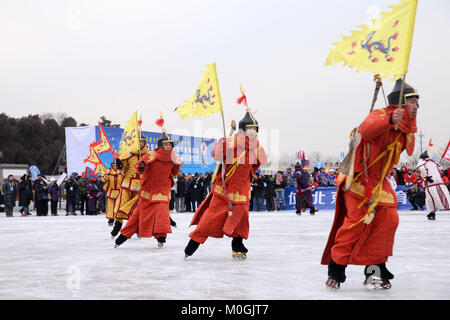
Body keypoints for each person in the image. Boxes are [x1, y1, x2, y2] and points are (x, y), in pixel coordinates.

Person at [321, 79, 420, 290]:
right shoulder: (381, 114)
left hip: (379, 183)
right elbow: (367, 129)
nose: (416, 106)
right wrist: (390, 120)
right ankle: (336, 269)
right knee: (356, 224)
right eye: (412, 101)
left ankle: (375, 269)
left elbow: (408, 151)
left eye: (418, 102)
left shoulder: (406, 131)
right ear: (401, 101)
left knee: (388, 219)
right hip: (357, 180)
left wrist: (400, 125)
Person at [184, 106, 267, 259]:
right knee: (211, 219)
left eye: (255, 128)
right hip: (225, 187)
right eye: (249, 127)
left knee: (242, 219)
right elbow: (216, 156)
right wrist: (222, 145)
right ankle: (192, 244)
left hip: (242, 188)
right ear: (242, 129)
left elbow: (255, 166)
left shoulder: (257, 147)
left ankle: (237, 244)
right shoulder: (231, 142)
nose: (252, 130)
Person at [114, 129, 182, 248]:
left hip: (162, 190)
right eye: (166, 144)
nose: (168, 146)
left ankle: (161, 237)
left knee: (162, 213)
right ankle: (122, 237)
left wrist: (176, 164)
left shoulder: (173, 157)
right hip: (148, 190)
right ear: (161, 145)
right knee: (137, 216)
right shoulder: (151, 155)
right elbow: (139, 168)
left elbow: (175, 171)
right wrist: (142, 166)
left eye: (170, 145)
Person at [111, 135, 150, 238]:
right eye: (139, 141)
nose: (140, 143)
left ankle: (138, 230)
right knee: (121, 206)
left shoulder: (149, 155)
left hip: (141, 187)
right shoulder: (129, 153)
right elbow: (122, 168)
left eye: (142, 142)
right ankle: (116, 228)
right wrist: (117, 160)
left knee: (138, 209)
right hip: (127, 185)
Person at [416, 151, 450, 220]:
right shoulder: (433, 162)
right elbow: (440, 167)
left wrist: (426, 178)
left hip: (430, 183)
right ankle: (431, 212)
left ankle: (433, 212)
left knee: (430, 198)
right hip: (439, 181)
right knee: (444, 194)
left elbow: (422, 170)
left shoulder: (422, 163)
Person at [102, 162, 123, 226]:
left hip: (119, 192)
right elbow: (104, 180)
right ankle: (111, 220)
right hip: (111, 192)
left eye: (116, 166)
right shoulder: (109, 173)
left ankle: (118, 220)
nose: (115, 167)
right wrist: (105, 175)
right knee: (111, 207)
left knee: (118, 207)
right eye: (113, 166)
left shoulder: (121, 173)